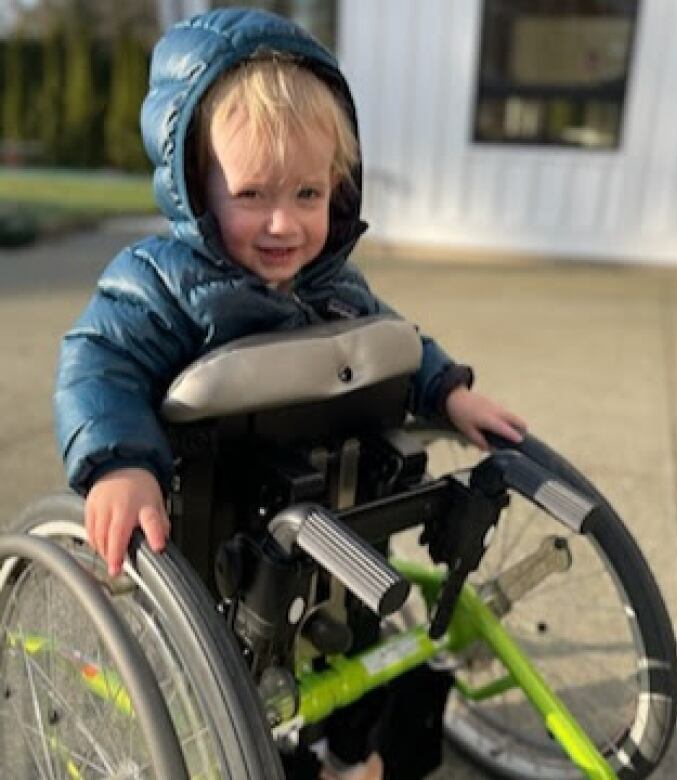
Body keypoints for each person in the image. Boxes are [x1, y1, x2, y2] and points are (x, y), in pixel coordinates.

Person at [54, 8, 525, 779]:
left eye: (308, 194)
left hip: (342, 526)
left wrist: (447, 392)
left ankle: (358, 756)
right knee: (262, 685)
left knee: (370, 644)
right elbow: (96, 364)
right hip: (227, 544)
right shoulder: (161, 286)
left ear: (338, 187)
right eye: (253, 194)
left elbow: (396, 344)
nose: (285, 224)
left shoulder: (337, 284)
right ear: (195, 186)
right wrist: (117, 462)